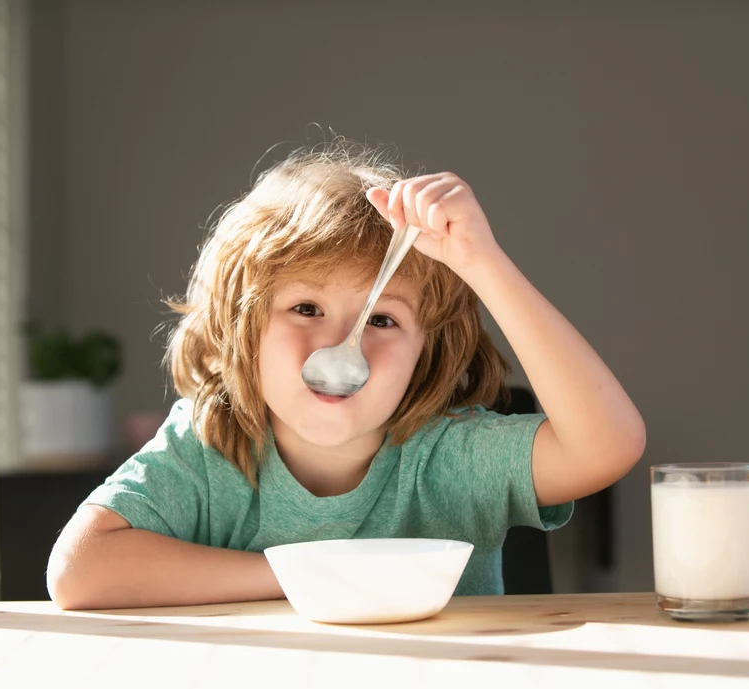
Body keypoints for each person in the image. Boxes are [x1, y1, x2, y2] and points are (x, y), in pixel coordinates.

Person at [46, 139, 646, 610]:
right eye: (306, 308)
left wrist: (482, 264)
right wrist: (307, 577)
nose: (339, 342)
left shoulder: (449, 457)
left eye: (382, 319)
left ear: (425, 353)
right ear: (242, 328)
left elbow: (608, 447)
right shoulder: (205, 446)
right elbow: (78, 570)